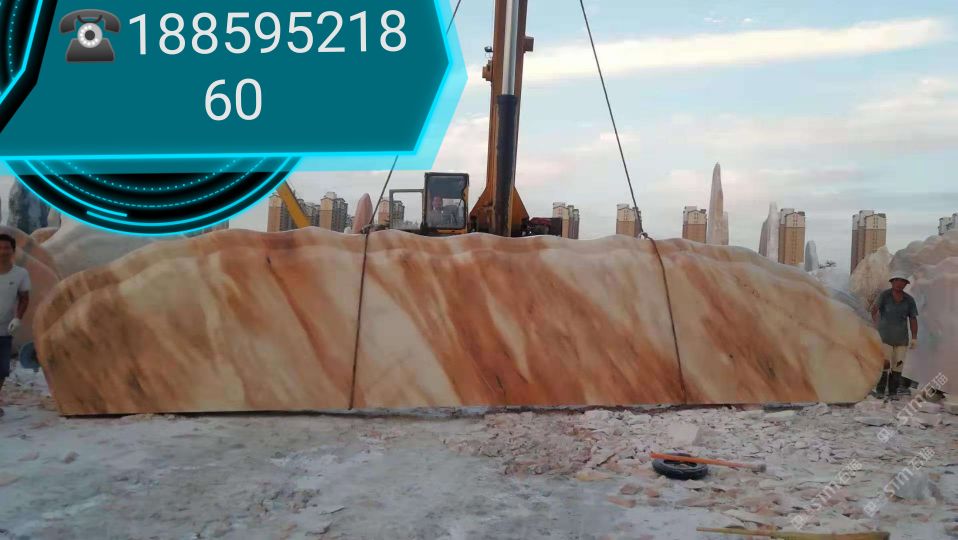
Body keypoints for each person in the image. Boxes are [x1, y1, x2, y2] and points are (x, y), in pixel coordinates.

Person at [870, 273, 918, 398]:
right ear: (892, 282)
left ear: (906, 284)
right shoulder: (884, 296)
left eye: (903, 281)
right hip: (885, 337)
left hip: (901, 339)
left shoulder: (909, 300)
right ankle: (880, 391)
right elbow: (874, 310)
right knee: (884, 364)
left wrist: (914, 337)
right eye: (897, 280)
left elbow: (913, 319)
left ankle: (893, 392)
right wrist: (875, 324)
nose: (900, 283)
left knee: (898, 366)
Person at [0, 233, 30, 418]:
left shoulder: (20, 274)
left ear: (13, 251)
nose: (3, 251)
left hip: (4, 329)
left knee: (2, 369)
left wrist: (18, 318)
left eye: (6, 248)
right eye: (0, 248)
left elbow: (24, 297)